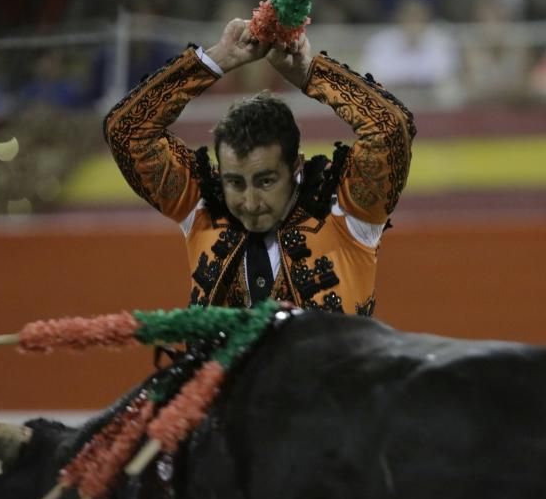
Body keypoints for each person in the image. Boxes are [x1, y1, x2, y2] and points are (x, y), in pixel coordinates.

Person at [104, 18, 416, 315]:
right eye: (235, 183)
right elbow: (126, 131)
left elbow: (389, 128)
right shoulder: (201, 204)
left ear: (296, 167)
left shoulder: (346, 212)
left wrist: (310, 74)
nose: (250, 203)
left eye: (266, 181)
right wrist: (216, 60)